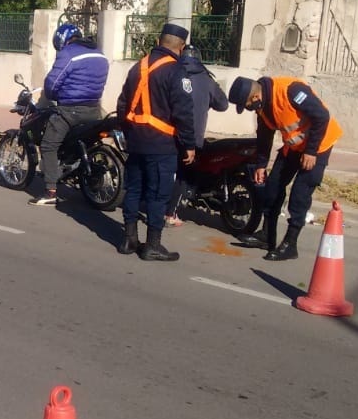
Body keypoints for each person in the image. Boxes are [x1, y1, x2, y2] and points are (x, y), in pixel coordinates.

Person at [230, 75, 342, 261]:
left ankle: (290, 244)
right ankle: (267, 236)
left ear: (255, 97)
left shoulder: (291, 91)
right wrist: (261, 165)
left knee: (300, 194)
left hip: (318, 146)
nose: (250, 109)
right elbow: (264, 136)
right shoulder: (262, 107)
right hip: (294, 147)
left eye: (247, 105)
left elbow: (322, 116)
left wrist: (311, 151)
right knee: (272, 187)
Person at [115, 23, 197, 261]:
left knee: (133, 190)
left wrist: (128, 132)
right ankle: (152, 245)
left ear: (159, 42)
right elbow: (184, 112)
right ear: (181, 47)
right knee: (158, 194)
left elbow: (122, 104)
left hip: (136, 141)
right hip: (162, 145)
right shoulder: (176, 71)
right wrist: (189, 144)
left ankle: (129, 239)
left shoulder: (137, 67)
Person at [28, 23, 110, 205]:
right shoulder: (99, 53)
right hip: (94, 109)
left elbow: (52, 82)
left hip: (70, 110)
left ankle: (50, 192)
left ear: (62, 40)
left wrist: (53, 96)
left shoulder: (68, 54)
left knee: (48, 145)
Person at [163, 45, 230, 226]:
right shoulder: (206, 79)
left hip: (168, 133)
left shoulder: (171, 73)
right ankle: (170, 213)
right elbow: (223, 104)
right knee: (184, 174)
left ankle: (162, 206)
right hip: (193, 137)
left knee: (167, 171)